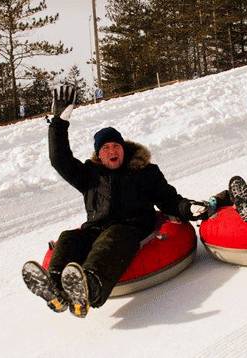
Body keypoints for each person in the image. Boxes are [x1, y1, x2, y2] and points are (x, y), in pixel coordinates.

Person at [22, 85, 208, 318]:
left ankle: (90, 288)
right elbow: (59, 159)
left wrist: (188, 208)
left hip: (131, 230)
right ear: (99, 155)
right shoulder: (89, 175)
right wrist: (59, 123)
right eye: (106, 147)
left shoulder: (144, 172)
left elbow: (169, 199)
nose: (112, 150)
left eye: (116, 146)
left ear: (124, 150)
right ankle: (55, 288)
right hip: (96, 229)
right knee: (69, 237)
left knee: (114, 235)